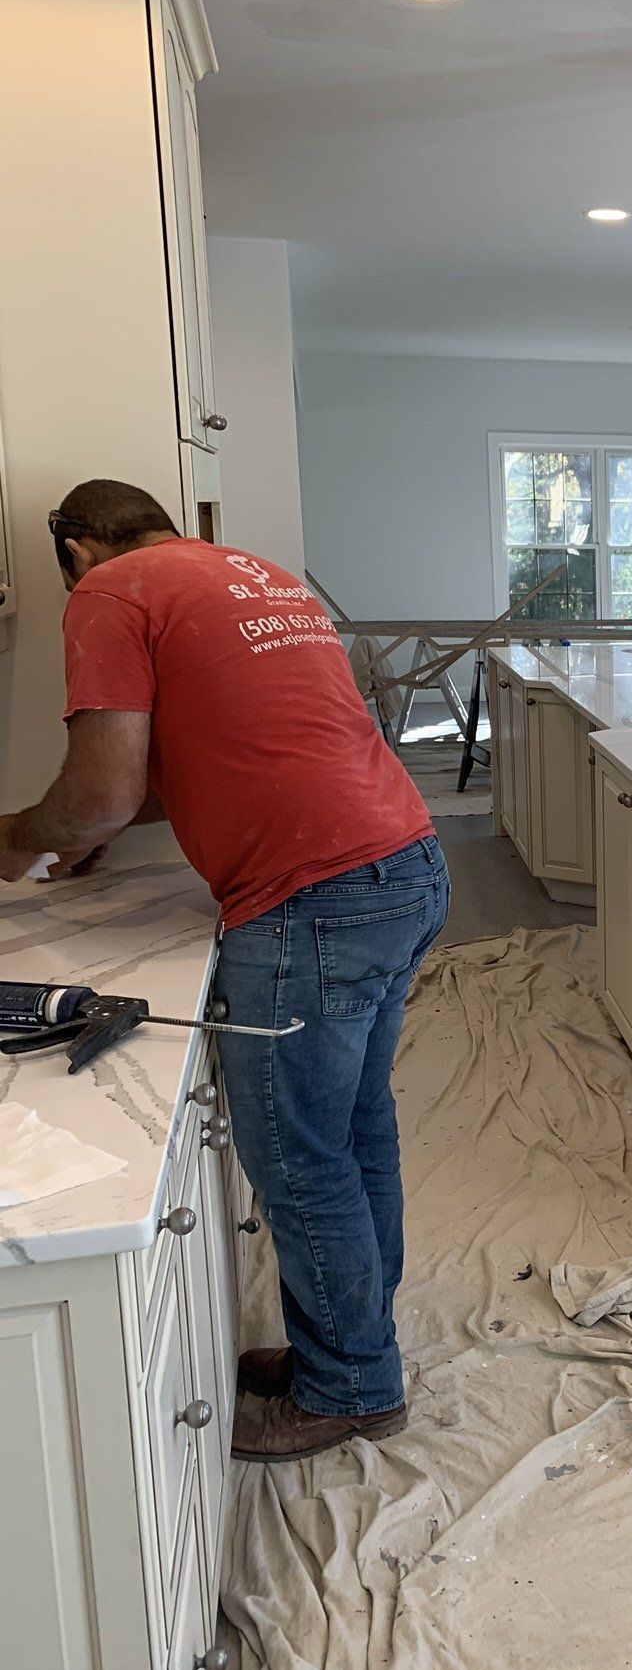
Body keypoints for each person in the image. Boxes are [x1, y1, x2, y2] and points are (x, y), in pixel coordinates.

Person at [0, 480, 449, 1462]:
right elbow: (219, 756)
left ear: (75, 547)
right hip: (405, 862)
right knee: (354, 1127)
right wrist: (85, 826)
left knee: (298, 1156)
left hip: (313, 897)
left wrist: (20, 838)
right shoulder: (256, 576)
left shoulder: (110, 592)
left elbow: (104, 790)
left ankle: (351, 1386)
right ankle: (352, 1342)